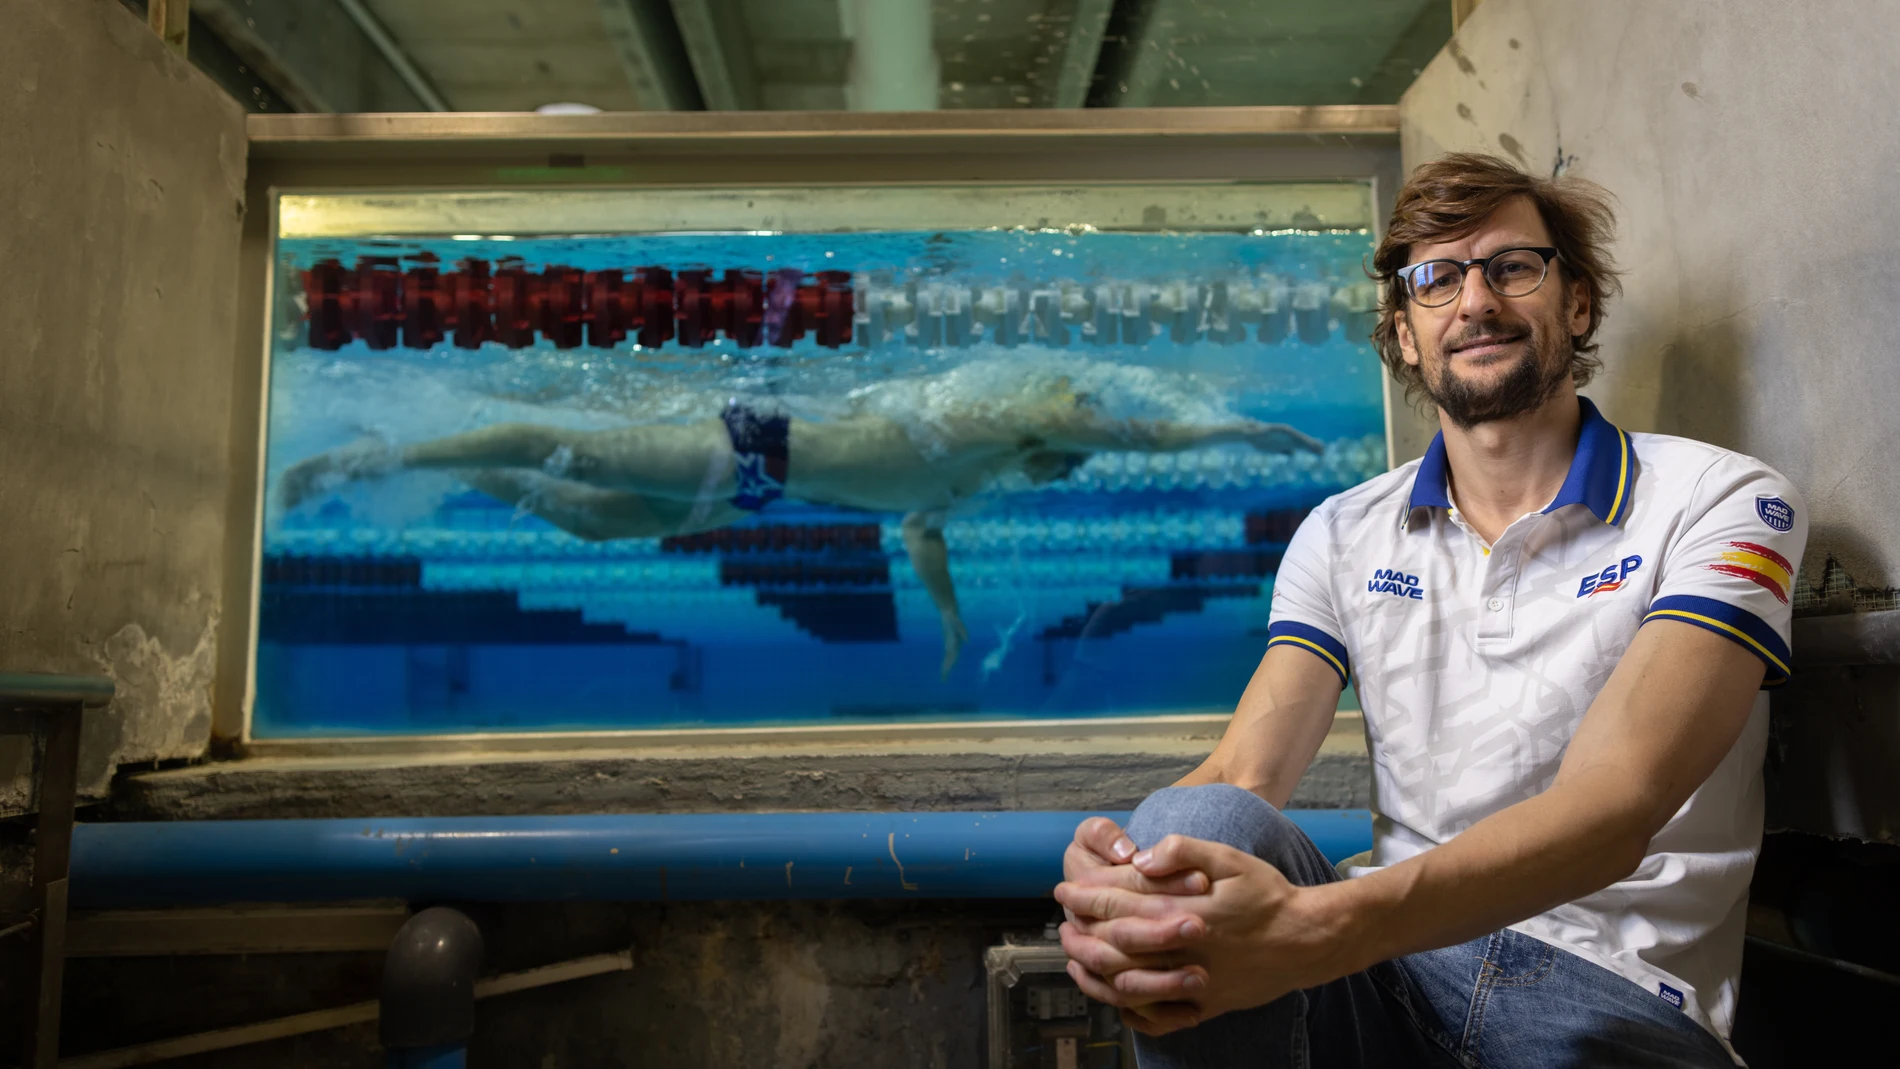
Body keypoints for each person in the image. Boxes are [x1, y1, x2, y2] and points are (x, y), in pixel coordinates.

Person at [1055, 152, 1806, 1067]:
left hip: (1603, 987)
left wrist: (1317, 925)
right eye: (1436, 279)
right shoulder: (1343, 532)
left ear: (1576, 303)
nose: (1475, 301)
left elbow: (1614, 809)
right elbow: (1243, 774)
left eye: (1511, 266)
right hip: (1388, 966)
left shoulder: (1720, 498)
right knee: (1195, 829)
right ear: (1405, 334)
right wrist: (1128, 881)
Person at [278, 373, 1324, 676]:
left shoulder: (969, 481)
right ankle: (379, 456)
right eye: (1073, 447)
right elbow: (1125, 428)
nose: (1070, 458)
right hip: (743, 445)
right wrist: (1228, 426)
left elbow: (920, 535)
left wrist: (952, 622)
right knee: (563, 444)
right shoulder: (989, 415)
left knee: (589, 523)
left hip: (744, 493)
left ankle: (440, 472)